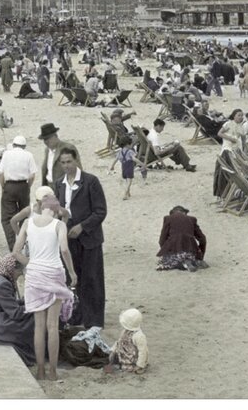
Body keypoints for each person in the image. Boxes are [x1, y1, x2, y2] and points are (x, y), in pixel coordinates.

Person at [13, 186, 76, 382]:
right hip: (54, 273)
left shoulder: (28, 223)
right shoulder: (58, 225)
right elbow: (64, 250)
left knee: (38, 326)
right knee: (52, 325)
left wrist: (30, 263)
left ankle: (40, 370)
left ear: (41, 207)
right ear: (56, 210)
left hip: (34, 275)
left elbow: (15, 251)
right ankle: (53, 372)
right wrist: (72, 272)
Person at [53, 145, 107, 332]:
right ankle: (76, 315)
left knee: (92, 279)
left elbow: (100, 211)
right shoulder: (59, 183)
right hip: (68, 239)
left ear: (76, 160)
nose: (66, 166)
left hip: (89, 238)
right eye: (63, 163)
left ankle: (94, 320)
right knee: (71, 278)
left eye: (69, 162)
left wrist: (82, 226)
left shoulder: (91, 181)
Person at [0, 254, 37, 367]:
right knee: (35, 318)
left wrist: (27, 302)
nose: (19, 275)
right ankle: (37, 353)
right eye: (19, 272)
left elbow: (9, 303)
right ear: (12, 269)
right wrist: (35, 306)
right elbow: (15, 313)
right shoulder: (3, 284)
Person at [0, 134, 38, 249]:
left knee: (7, 217)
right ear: (24, 146)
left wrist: (3, 187)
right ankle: (23, 243)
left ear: (13, 145)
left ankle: (13, 246)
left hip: (9, 185)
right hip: (23, 186)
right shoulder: (28, 155)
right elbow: (32, 175)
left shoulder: (7, 154)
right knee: (24, 215)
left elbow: (0, 173)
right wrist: (28, 186)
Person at [156, 205, 208, 271]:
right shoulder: (192, 219)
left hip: (175, 250)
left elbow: (162, 239)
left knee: (165, 262)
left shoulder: (168, 218)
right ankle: (190, 261)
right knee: (192, 258)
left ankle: (183, 263)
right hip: (190, 250)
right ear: (184, 213)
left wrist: (165, 251)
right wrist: (200, 256)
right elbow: (202, 239)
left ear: (172, 213)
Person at [106, 308, 148, 374]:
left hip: (133, 359)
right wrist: (113, 350)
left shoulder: (139, 336)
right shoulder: (125, 331)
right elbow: (119, 342)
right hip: (123, 354)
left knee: (131, 368)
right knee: (111, 358)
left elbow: (143, 351)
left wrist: (139, 365)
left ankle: (140, 367)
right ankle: (117, 364)